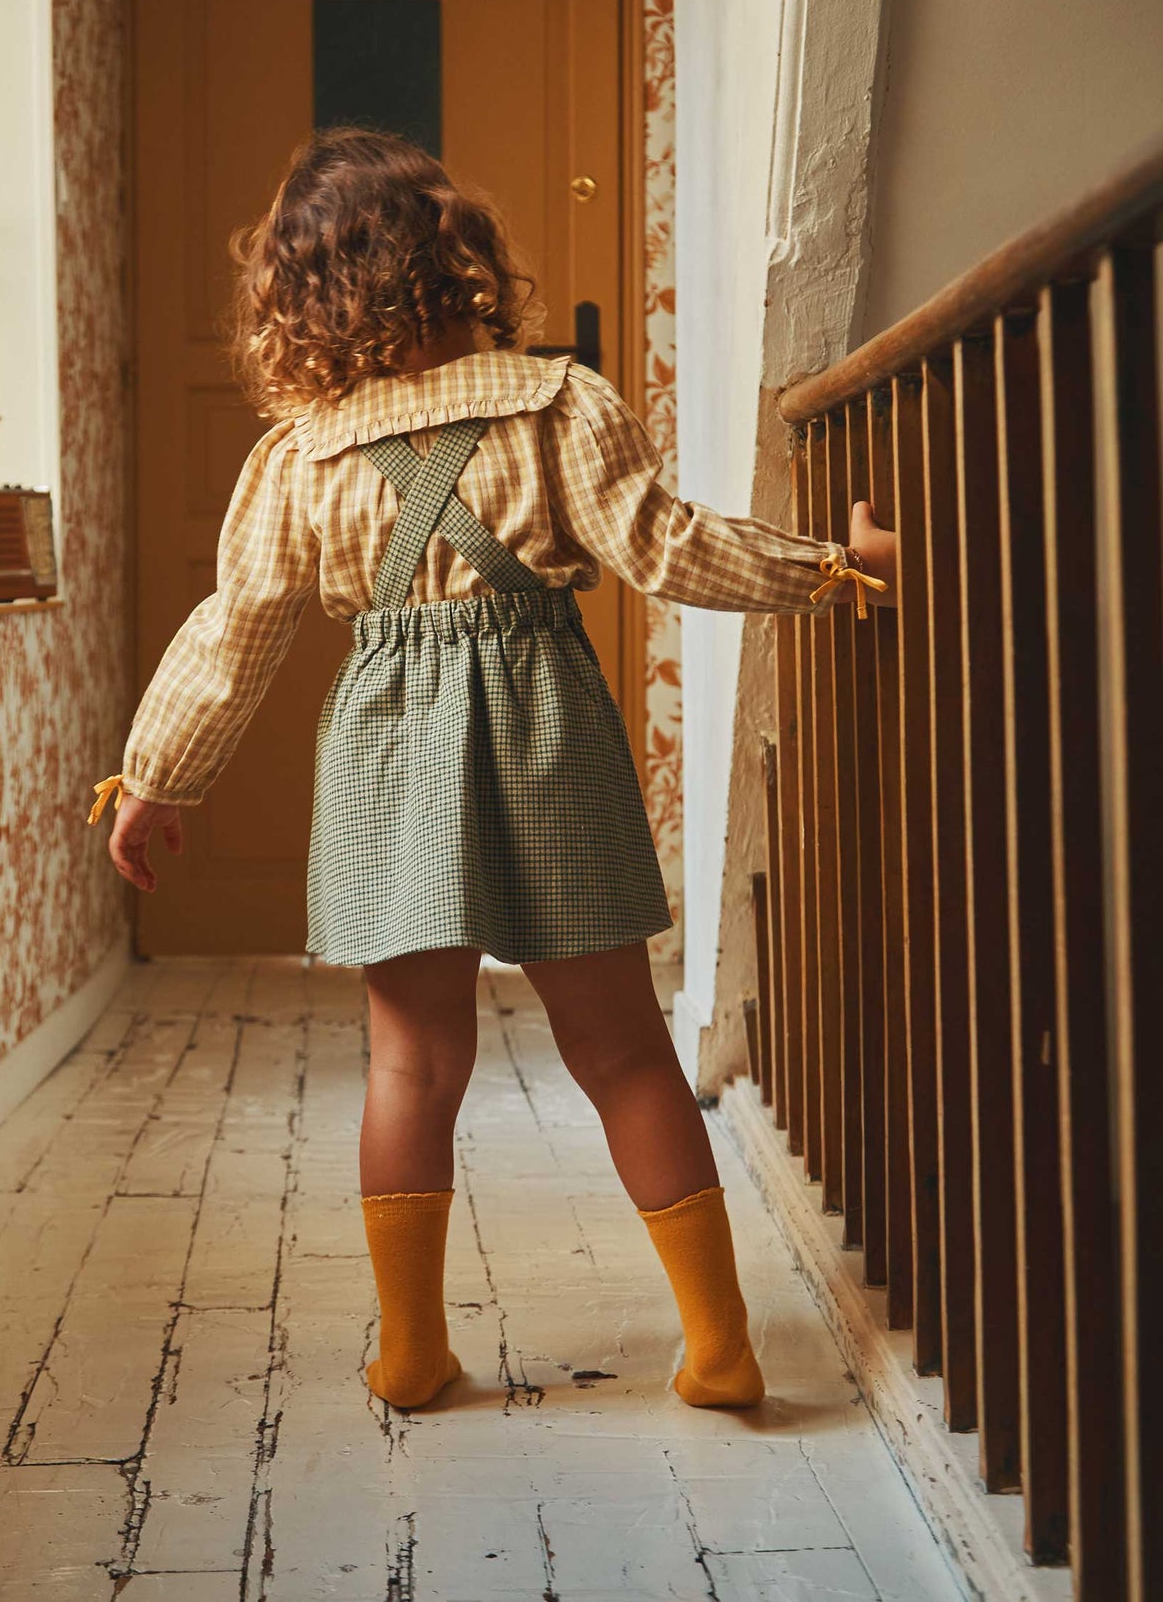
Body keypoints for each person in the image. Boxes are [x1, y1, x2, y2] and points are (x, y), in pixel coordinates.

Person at [91, 128, 896, 1413]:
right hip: (547, 732)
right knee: (623, 1047)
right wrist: (832, 566)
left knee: (411, 1059)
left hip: (387, 750)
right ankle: (719, 1342)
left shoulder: (297, 456)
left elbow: (234, 636)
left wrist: (154, 778)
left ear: (301, 300)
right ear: (453, 257)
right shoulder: (560, 402)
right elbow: (668, 550)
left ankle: (410, 1351)